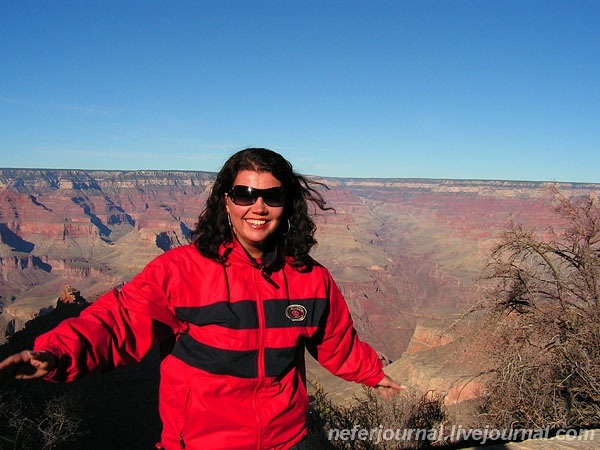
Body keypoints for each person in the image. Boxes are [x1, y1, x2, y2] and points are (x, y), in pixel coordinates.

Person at [0, 148, 404, 449]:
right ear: (226, 201)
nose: (258, 207)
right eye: (244, 194)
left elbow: (336, 341)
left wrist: (375, 374)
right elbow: (119, 320)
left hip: (289, 441)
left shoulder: (310, 278)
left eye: (272, 196)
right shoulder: (183, 271)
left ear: (287, 204)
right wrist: (57, 353)